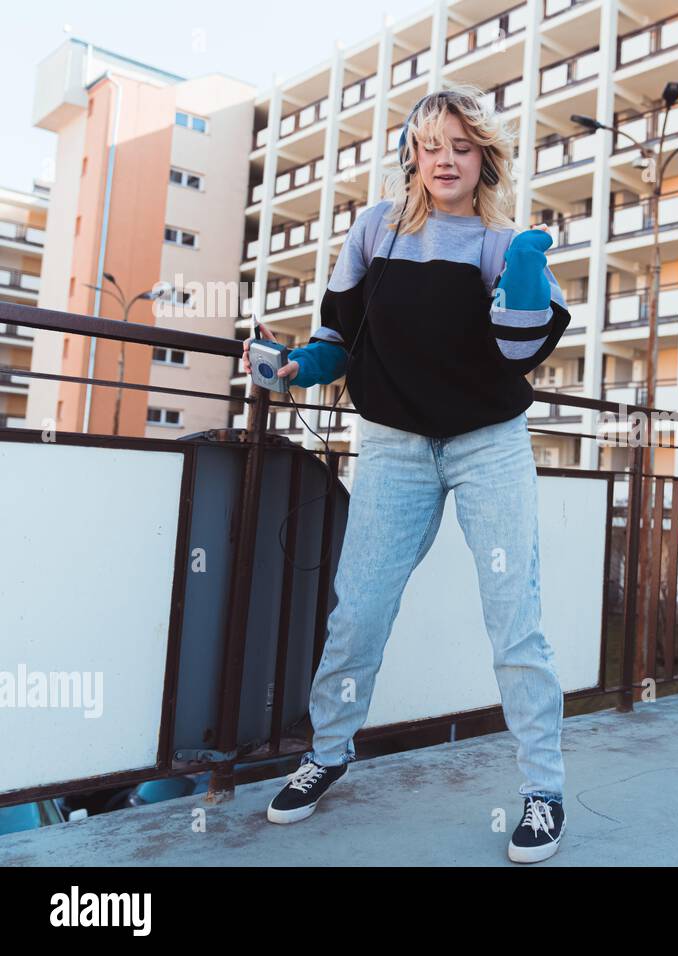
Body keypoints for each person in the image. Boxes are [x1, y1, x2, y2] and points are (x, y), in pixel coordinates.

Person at [244, 85, 570, 863]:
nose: (447, 160)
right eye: (433, 147)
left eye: (463, 147)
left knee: (513, 615)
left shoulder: (498, 237)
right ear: (411, 157)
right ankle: (327, 753)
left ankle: (544, 791)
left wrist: (524, 264)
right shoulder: (373, 229)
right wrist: (294, 365)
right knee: (358, 609)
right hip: (392, 442)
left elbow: (522, 346)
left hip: (487, 440)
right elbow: (339, 337)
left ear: (483, 157)